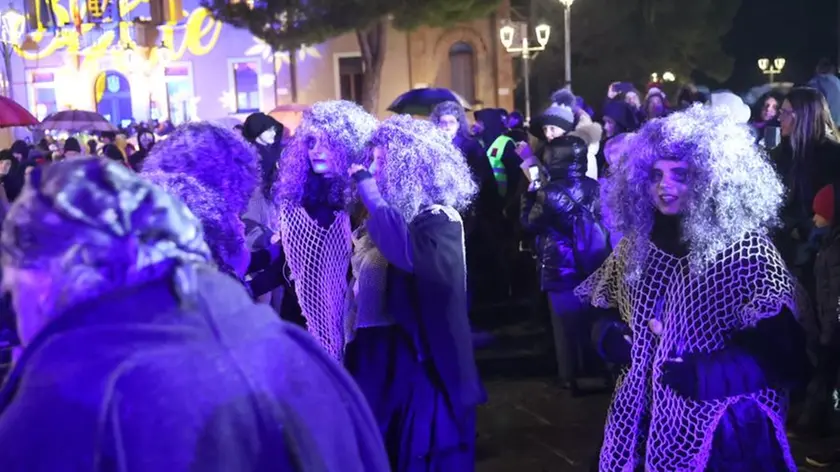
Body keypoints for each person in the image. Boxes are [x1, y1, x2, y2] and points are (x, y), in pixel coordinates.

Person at [0, 158, 390, 471]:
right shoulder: (297, 351)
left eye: (15, 287)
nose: (15, 307)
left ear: (54, 277)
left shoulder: (68, 400)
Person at [576, 105, 810, 471]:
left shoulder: (745, 251)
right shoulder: (636, 245)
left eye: (680, 175)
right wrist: (609, 336)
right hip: (646, 414)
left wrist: (707, 374)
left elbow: (785, 352)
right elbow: (604, 307)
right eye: (655, 175)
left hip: (724, 425)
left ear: (710, 179)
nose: (663, 187)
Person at [347, 115, 484, 471]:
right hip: (386, 355)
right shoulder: (402, 217)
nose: (374, 169)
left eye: (381, 161)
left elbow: (407, 256)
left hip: (425, 367)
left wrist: (369, 190)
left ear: (408, 166)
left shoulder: (440, 218)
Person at [273, 100, 378, 360]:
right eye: (311, 142)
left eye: (328, 143)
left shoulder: (363, 199)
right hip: (302, 316)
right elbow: (287, 260)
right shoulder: (298, 199)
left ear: (348, 147)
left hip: (357, 320)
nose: (316, 151)